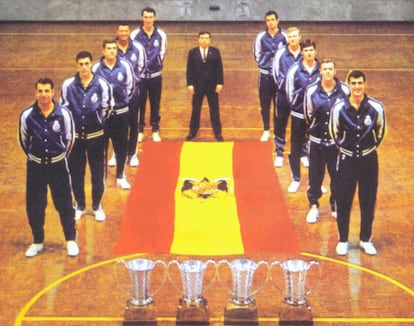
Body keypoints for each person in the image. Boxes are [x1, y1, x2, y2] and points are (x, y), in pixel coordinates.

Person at [19, 78, 79, 257]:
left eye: (47, 91)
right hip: (36, 167)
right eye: (40, 91)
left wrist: (58, 157)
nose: (43, 95)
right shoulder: (27, 115)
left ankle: (70, 240)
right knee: (35, 205)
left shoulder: (64, 114)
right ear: (35, 92)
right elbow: (23, 140)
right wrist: (35, 157)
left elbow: (70, 139)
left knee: (65, 204)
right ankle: (37, 241)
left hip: (58, 166)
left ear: (53, 92)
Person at [330, 70, 386, 256]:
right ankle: (343, 239)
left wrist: (366, 149)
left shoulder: (376, 108)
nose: (357, 87)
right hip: (346, 160)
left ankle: (365, 239)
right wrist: (348, 148)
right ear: (348, 85)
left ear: (365, 84)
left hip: (369, 160)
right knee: (343, 200)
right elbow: (334, 133)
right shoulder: (339, 108)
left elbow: (380, 133)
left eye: (360, 83)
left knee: (368, 200)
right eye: (353, 83)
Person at [61, 51, 112, 222]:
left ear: (92, 64)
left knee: (98, 173)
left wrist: (97, 122)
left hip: (96, 136)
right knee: (76, 173)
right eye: (80, 64)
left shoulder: (102, 84)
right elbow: (64, 110)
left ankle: (97, 206)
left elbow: (107, 108)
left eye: (86, 63)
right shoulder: (68, 85)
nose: (84, 67)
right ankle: (80, 206)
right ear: (77, 65)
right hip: (76, 138)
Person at [303, 58, 350, 223]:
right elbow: (308, 115)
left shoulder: (345, 90)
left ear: (335, 71)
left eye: (331, 68)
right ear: (320, 71)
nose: (328, 71)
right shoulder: (311, 91)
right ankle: (314, 206)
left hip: (336, 143)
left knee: (337, 176)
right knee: (315, 176)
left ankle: (335, 205)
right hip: (316, 142)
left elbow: (349, 114)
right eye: (325, 69)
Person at [92, 39, 135, 190]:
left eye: (114, 48)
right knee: (100, 147)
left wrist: (122, 102)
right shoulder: (96, 68)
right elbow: (91, 89)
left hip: (121, 114)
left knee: (121, 146)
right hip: (103, 116)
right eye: (108, 48)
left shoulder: (125, 66)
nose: (111, 51)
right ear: (103, 51)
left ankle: (121, 176)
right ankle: (101, 177)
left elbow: (131, 86)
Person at [285, 39, 320, 193]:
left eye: (311, 50)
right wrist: (297, 107)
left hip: (316, 117)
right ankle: (296, 179)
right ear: (302, 52)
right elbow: (289, 91)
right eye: (306, 50)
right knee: (296, 147)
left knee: (317, 150)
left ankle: (316, 181)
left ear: (315, 51)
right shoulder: (294, 70)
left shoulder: (322, 69)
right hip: (299, 115)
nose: (309, 53)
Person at [131, 7, 167, 142]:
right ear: (142, 18)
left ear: (154, 18)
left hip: (155, 76)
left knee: (155, 103)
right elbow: (132, 53)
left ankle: (155, 129)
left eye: (150, 17)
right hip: (140, 77)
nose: (148, 20)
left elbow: (162, 53)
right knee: (140, 103)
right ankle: (140, 130)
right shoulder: (135, 34)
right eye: (145, 17)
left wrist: (155, 65)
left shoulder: (161, 34)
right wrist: (140, 70)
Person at [116, 23, 146, 167]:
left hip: (133, 94)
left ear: (129, 32)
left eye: (126, 30)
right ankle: (117, 153)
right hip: (116, 97)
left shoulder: (138, 48)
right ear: (117, 32)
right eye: (121, 30)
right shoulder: (111, 48)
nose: (123, 33)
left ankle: (132, 153)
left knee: (133, 125)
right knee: (117, 126)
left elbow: (142, 66)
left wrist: (135, 80)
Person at [254, 10, 287, 142]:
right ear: (265, 22)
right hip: (265, 76)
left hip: (279, 77)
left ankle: (277, 132)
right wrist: (265, 64)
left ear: (277, 20)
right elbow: (256, 54)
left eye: (273, 20)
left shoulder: (284, 36)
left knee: (279, 105)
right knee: (265, 104)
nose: (271, 23)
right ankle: (266, 129)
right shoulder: (260, 36)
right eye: (268, 20)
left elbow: (288, 52)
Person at [272, 26, 302, 167]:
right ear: (287, 38)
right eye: (290, 37)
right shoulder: (281, 53)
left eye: (295, 36)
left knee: (301, 125)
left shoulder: (305, 52)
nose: (292, 39)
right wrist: (282, 86)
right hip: (283, 96)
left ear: (299, 37)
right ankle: (279, 152)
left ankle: (302, 152)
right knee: (280, 124)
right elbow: (275, 73)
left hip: (300, 98)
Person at [185, 31, 224, 141]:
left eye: (206, 38)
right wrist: (190, 84)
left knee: (214, 110)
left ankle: (217, 133)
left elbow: (219, 68)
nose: (204, 40)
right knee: (195, 110)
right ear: (198, 39)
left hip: (212, 86)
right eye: (202, 38)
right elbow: (189, 69)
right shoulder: (192, 52)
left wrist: (220, 83)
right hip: (197, 86)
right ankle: (192, 132)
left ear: (210, 40)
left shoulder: (215, 52)